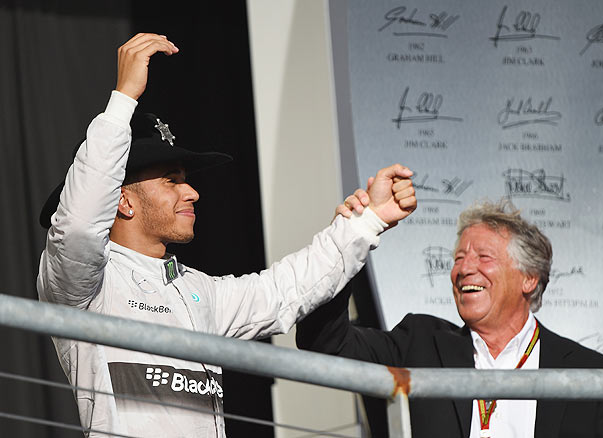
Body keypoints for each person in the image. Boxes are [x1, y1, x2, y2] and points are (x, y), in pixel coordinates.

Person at [36, 33, 416, 438]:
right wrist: (123, 98)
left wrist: (369, 220)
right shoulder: (85, 288)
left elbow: (285, 290)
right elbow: (77, 227)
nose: (193, 191)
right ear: (123, 201)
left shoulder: (199, 290)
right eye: (172, 180)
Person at [298, 198, 603, 438]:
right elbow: (326, 343)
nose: (464, 269)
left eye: (483, 257)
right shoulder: (419, 343)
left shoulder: (591, 373)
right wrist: (349, 239)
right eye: (458, 257)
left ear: (529, 278)